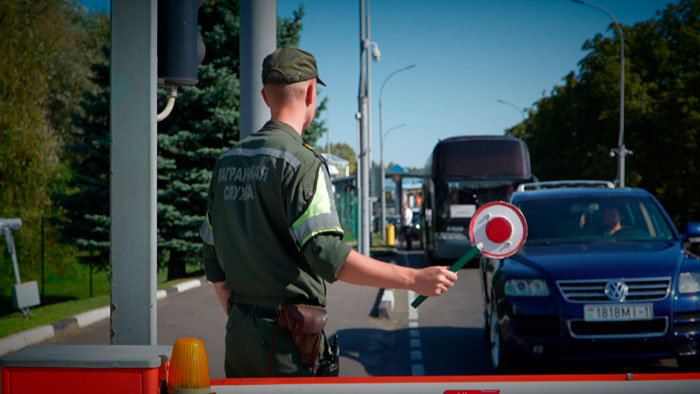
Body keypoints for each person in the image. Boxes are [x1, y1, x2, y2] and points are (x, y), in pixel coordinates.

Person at [200, 47, 457, 378]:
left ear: (265, 96)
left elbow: (212, 256)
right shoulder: (303, 164)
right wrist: (414, 279)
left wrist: (243, 319)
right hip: (289, 348)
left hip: (239, 340)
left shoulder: (225, 163)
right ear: (310, 93)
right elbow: (328, 256)